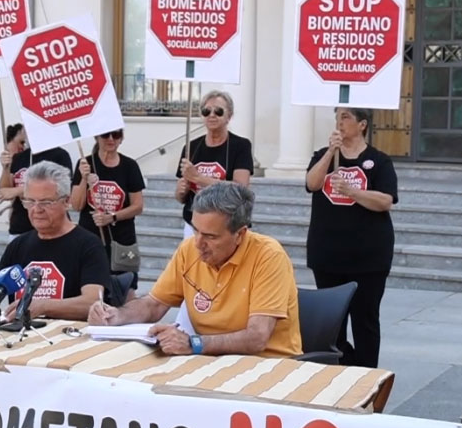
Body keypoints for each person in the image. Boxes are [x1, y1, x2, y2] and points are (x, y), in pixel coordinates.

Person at [89, 183, 301, 359]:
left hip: (268, 365)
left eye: (211, 236)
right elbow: (154, 304)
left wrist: (194, 343)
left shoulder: (269, 256)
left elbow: (256, 338)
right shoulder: (189, 248)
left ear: (240, 234)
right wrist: (116, 316)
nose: (198, 243)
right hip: (210, 361)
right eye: (196, 230)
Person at [0, 161, 109, 320]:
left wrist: (43, 306)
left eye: (46, 202)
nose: (37, 209)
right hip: (18, 336)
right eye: (30, 201)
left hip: (67, 335)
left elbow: (93, 303)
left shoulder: (88, 244)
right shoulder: (18, 245)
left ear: (66, 201)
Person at [305, 107, 399, 368]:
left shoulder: (378, 161)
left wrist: (351, 190)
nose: (339, 122)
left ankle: (366, 376)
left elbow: (385, 201)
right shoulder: (322, 156)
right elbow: (312, 183)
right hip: (328, 254)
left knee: (365, 321)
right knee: (332, 323)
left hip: (368, 257)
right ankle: (341, 370)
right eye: (336, 117)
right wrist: (329, 154)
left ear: (362, 125)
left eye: (345, 117)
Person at [70, 128, 145, 301]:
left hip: (122, 240)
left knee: (128, 289)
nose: (111, 139)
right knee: (92, 288)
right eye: (105, 134)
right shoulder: (85, 164)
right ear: (97, 137)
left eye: (116, 135)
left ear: (121, 138)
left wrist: (112, 216)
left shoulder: (129, 166)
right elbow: (76, 205)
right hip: (90, 238)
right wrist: (83, 178)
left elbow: (138, 206)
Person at [175, 90, 254, 237]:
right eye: (206, 111)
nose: (212, 115)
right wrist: (180, 191)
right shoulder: (190, 147)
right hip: (195, 225)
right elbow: (182, 196)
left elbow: (241, 189)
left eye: (218, 111)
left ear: (229, 116)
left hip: (228, 225)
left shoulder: (241, 146)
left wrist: (199, 178)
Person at [0, 124, 73, 235]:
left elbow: (63, 188)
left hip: (51, 226)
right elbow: (4, 191)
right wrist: (5, 168)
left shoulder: (59, 155)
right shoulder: (19, 157)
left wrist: (17, 191)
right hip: (20, 225)